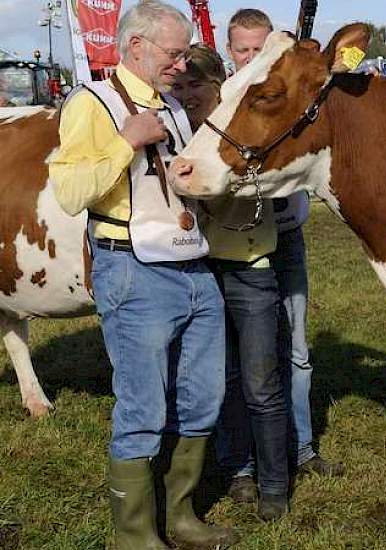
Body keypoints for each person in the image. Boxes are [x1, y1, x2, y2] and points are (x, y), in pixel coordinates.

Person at [48, 2, 235, 548]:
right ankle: (133, 536)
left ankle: (180, 517)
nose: (182, 63)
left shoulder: (174, 107)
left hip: (192, 262)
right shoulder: (92, 103)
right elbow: (70, 192)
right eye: (174, 53)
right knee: (142, 405)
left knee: (202, 397)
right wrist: (124, 141)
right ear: (137, 47)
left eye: (183, 54)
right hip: (133, 269)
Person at [222, 8, 344, 497]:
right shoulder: (226, 101)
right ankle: (242, 464)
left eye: (259, 49)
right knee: (236, 359)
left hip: (286, 235)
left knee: (295, 349)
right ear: (230, 51)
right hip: (232, 246)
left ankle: (302, 447)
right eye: (243, 50)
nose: (251, 58)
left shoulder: (285, 95)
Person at [177, 32, 292, 521]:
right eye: (179, 90)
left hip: (250, 268)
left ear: (216, 85)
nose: (186, 99)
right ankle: (238, 470)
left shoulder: (238, 129)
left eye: (194, 90)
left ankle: (274, 484)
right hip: (199, 270)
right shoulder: (178, 130)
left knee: (262, 383)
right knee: (221, 380)